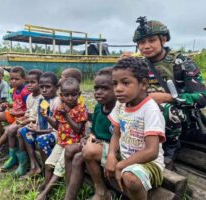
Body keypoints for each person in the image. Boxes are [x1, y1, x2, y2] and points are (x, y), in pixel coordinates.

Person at [132, 16, 206, 169]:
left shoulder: (181, 62)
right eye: (141, 42)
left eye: (151, 40)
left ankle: (169, 151)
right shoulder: (140, 64)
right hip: (147, 115)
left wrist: (169, 98)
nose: (146, 46)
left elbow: (202, 98)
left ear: (163, 39)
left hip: (180, 117)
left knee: (165, 109)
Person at [105, 57, 166, 200]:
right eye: (115, 84)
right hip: (125, 157)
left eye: (125, 83)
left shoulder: (150, 110)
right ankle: (101, 191)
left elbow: (152, 152)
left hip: (148, 164)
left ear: (143, 84)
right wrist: (111, 155)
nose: (118, 88)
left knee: (131, 178)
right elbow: (116, 135)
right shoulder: (121, 104)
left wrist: (120, 165)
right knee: (90, 151)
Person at [64, 68, 116, 200]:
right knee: (70, 150)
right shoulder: (99, 106)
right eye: (96, 88)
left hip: (112, 149)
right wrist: (88, 138)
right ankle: (69, 188)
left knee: (79, 157)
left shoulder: (119, 109)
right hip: (97, 144)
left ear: (116, 87)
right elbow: (94, 131)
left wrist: (93, 142)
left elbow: (117, 137)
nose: (98, 92)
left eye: (104, 88)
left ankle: (100, 192)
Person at [37, 77, 88, 200]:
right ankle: (48, 187)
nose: (70, 98)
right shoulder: (60, 108)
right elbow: (57, 126)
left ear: (79, 94)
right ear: (61, 95)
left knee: (58, 170)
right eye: (66, 95)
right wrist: (46, 116)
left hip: (72, 144)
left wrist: (67, 115)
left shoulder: (80, 109)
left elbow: (78, 129)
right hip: (61, 143)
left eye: (73, 95)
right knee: (49, 165)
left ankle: (45, 193)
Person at [0, 66, 30, 163]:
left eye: (17, 79)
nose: (13, 81)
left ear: (24, 79)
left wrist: (16, 112)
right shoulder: (15, 90)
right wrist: (9, 105)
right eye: (11, 79)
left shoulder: (25, 93)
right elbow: (18, 104)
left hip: (22, 117)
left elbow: (30, 110)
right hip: (14, 114)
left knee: (8, 129)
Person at [19, 72, 61, 177]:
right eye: (42, 87)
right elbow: (40, 118)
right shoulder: (42, 99)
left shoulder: (57, 102)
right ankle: (35, 166)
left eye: (48, 87)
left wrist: (38, 131)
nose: (44, 90)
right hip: (43, 130)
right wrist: (35, 126)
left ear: (56, 87)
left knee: (41, 139)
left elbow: (57, 128)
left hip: (56, 134)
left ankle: (48, 172)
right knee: (23, 131)